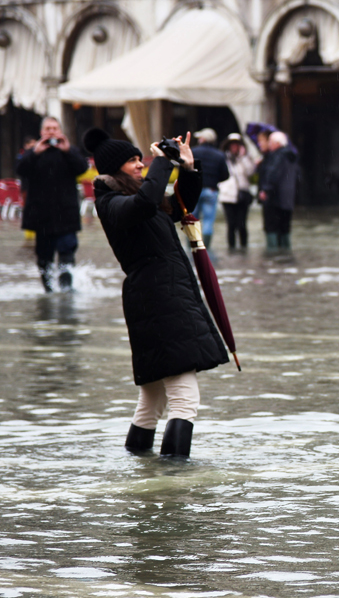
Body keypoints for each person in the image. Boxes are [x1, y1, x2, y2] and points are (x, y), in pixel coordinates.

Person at [85, 128, 230, 459]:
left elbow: (178, 206)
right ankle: (173, 476)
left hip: (157, 299)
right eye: (134, 161)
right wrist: (163, 162)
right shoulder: (112, 202)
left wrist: (189, 168)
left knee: (152, 398)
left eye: (141, 159)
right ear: (115, 168)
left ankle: (139, 464)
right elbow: (147, 202)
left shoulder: (135, 197)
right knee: (184, 398)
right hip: (159, 300)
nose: (140, 165)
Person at [16, 117, 90, 292]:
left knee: (67, 254)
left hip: (66, 215)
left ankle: (66, 291)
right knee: (44, 258)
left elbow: (82, 168)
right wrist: (35, 152)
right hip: (42, 216)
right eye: (47, 128)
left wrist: (67, 150)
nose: (51, 132)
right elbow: (20, 169)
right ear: (41, 132)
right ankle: (49, 291)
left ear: (60, 131)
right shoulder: (33, 153)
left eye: (54, 128)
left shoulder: (70, 151)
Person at [259, 130, 298, 252]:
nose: (268, 144)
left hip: (274, 198)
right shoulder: (291, 156)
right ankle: (285, 255)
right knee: (284, 228)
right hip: (287, 198)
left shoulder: (276, 156)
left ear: (276, 143)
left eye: (270, 141)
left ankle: (273, 255)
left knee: (271, 227)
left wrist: (265, 189)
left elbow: (272, 173)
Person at [190, 128, 229, 251]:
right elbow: (226, 175)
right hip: (211, 190)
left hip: (194, 190)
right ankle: (205, 248)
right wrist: (214, 180)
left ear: (202, 139)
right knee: (208, 220)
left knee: (191, 220)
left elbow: (184, 170)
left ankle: (192, 245)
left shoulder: (193, 152)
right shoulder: (219, 154)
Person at [218, 133, 258, 251]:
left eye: (237, 145)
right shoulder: (223, 158)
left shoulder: (246, 158)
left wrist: (243, 157)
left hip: (242, 194)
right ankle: (231, 248)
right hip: (227, 195)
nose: (234, 147)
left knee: (242, 224)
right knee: (231, 225)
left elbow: (251, 173)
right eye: (232, 145)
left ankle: (243, 248)